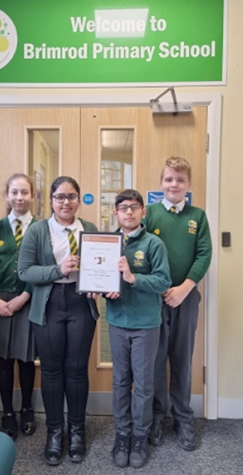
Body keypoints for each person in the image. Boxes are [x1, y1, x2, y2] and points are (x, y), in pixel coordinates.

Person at [18, 176, 99, 466]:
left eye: (72, 196)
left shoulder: (89, 229)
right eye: (60, 197)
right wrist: (57, 269)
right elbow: (24, 271)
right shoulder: (38, 230)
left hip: (80, 304)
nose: (66, 202)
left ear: (79, 199)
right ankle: (55, 432)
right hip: (49, 306)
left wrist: (98, 283)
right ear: (51, 201)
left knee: (77, 371)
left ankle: (77, 431)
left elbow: (100, 265)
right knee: (52, 372)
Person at [143, 157, 212, 451]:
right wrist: (156, 287)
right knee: (156, 359)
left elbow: (204, 254)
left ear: (189, 184)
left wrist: (185, 288)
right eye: (169, 179)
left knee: (182, 359)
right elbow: (138, 249)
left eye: (180, 180)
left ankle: (184, 418)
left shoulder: (198, 216)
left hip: (185, 299)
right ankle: (157, 415)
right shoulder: (150, 214)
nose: (174, 184)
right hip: (153, 301)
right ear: (161, 183)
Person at [105, 189, 171, 469]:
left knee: (143, 384)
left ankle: (139, 437)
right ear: (115, 213)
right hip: (117, 322)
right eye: (123, 207)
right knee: (120, 381)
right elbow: (99, 275)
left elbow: (163, 282)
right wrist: (103, 289)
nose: (128, 212)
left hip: (145, 325)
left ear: (143, 212)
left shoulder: (154, 244)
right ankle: (122, 434)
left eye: (134, 207)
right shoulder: (107, 243)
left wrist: (132, 278)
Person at [0, 173, 37, 440]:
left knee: (26, 359)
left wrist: (24, 296)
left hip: (28, 300)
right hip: (0, 301)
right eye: (14, 192)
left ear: (33, 196)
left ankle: (27, 409)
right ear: (7, 196)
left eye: (25, 192)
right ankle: (7, 412)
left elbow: (42, 267)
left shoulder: (40, 228)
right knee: (5, 359)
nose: (19, 197)